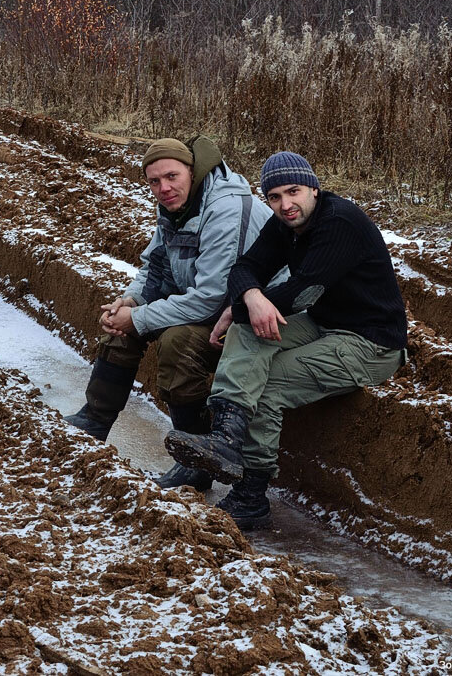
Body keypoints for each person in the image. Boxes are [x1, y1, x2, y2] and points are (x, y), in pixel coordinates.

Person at [165, 151, 407, 529]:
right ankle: (226, 436)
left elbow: (300, 295)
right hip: (323, 322)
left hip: (371, 342)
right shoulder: (287, 223)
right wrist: (249, 297)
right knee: (249, 329)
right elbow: (245, 267)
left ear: (313, 187)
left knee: (269, 380)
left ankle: (252, 493)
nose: (285, 204)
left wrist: (239, 305)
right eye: (274, 197)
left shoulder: (339, 222)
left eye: (293, 192)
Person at [65, 136, 272, 491]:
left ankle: (195, 461)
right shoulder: (176, 205)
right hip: (206, 301)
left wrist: (142, 317)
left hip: (245, 313)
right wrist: (129, 303)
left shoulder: (225, 207)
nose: (164, 188)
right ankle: (94, 421)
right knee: (120, 325)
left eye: (172, 177)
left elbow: (211, 296)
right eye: (154, 181)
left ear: (192, 171)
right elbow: (155, 263)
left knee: (177, 344)